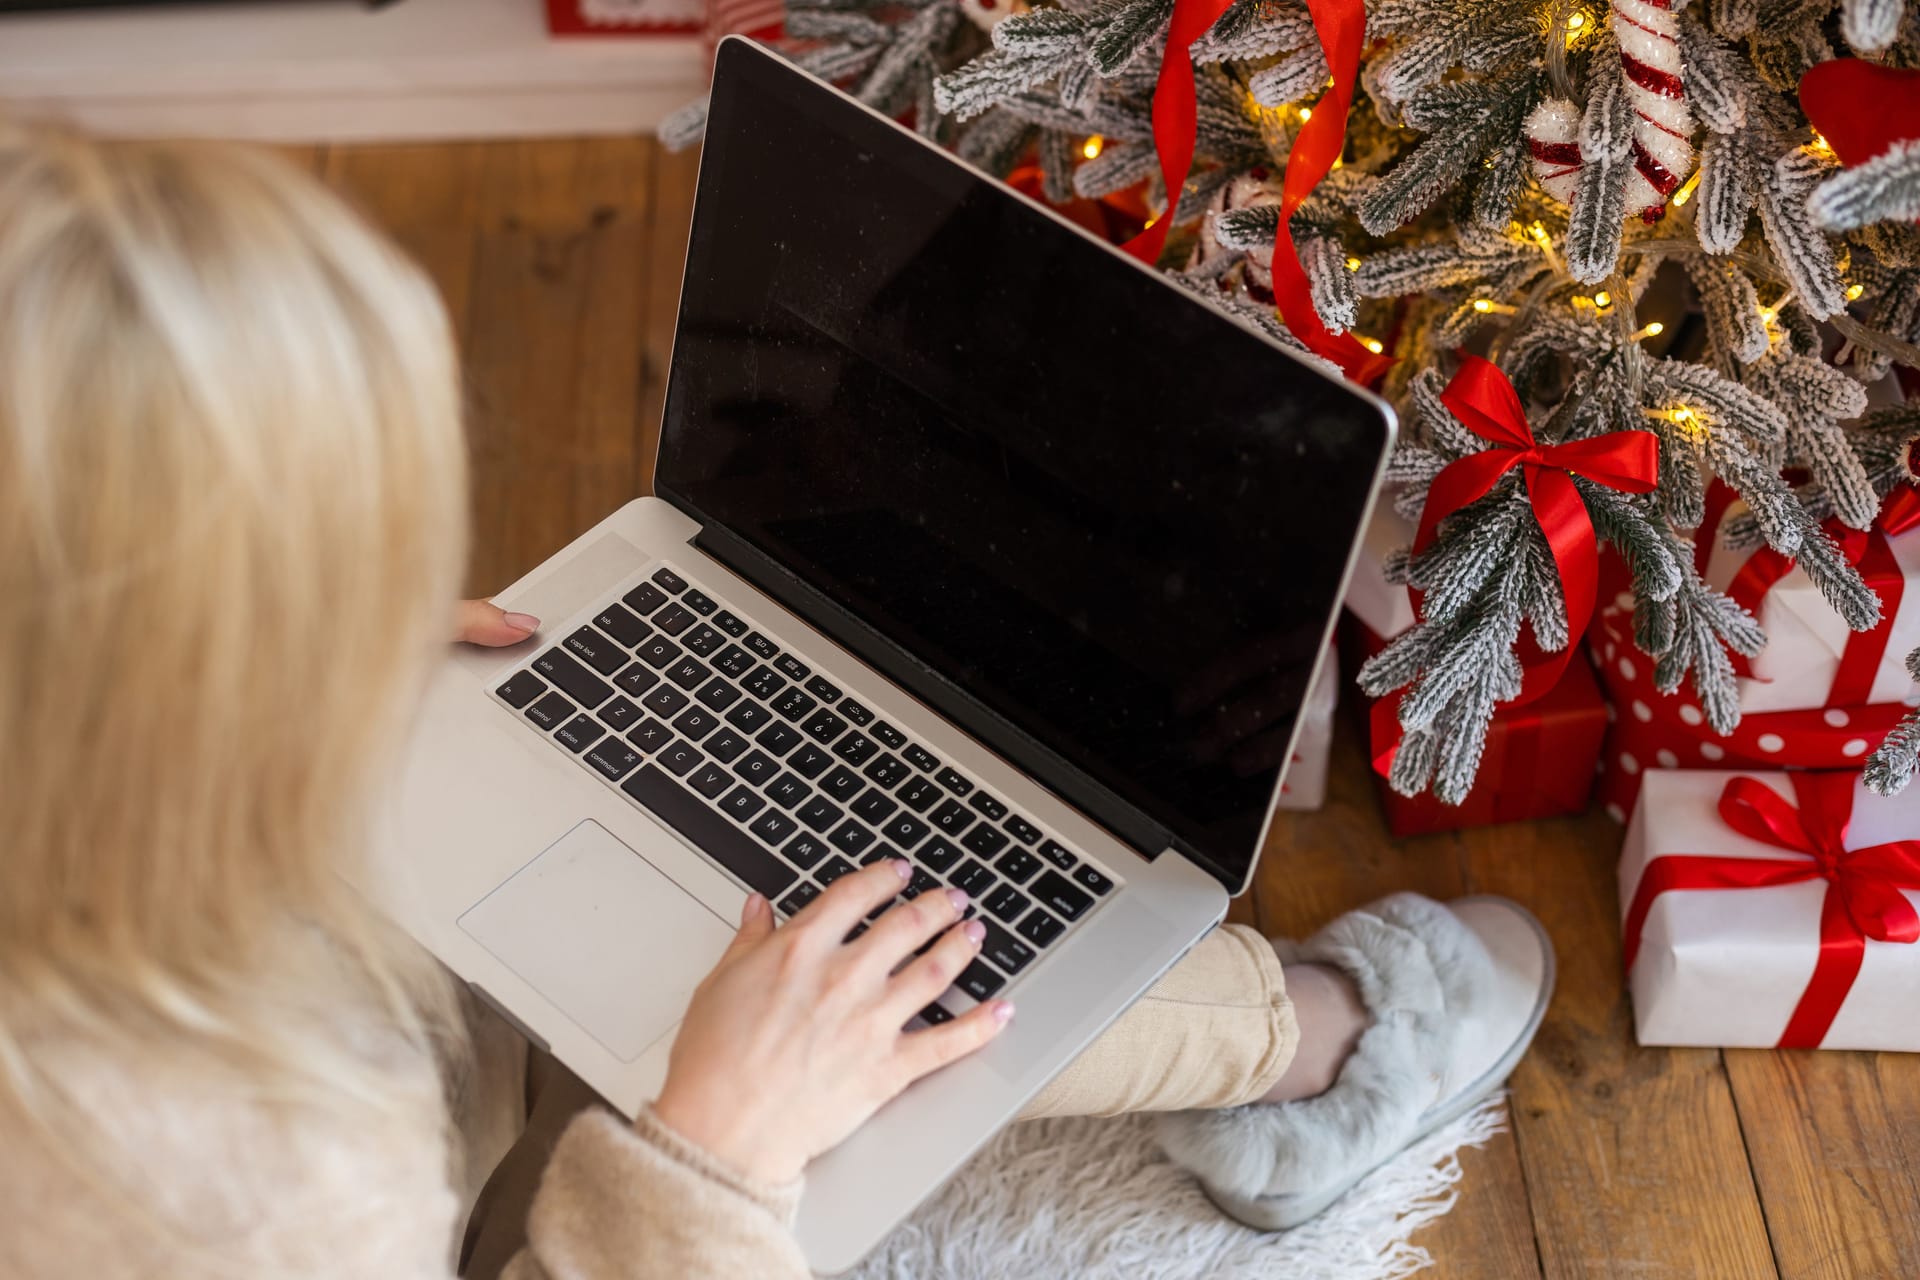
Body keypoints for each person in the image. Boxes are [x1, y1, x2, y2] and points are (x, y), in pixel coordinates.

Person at [0, 120, 1552, 1279]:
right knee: (891, 958)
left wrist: (293, 665)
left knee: (810, 917)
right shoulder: (248, 1190)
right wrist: (704, 1163)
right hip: (454, 1159)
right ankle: (1319, 1042)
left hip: (338, 979)